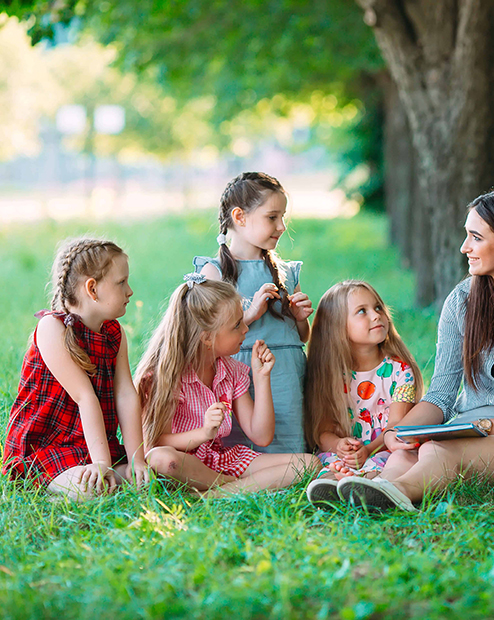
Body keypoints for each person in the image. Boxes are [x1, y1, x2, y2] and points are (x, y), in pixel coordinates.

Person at [331, 189, 494, 511]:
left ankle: (398, 492)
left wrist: (485, 427)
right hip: (464, 428)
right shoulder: (461, 300)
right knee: (409, 449)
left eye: (475, 238)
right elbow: (441, 395)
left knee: (438, 451)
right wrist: (402, 430)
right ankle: (375, 489)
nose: (465, 248)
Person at [136, 275, 319, 494]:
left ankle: (215, 494)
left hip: (222, 460)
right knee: (161, 460)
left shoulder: (230, 371)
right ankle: (231, 486)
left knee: (309, 464)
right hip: (183, 462)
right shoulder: (165, 376)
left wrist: (261, 378)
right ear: (207, 338)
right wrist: (204, 432)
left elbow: (261, 435)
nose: (245, 330)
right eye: (236, 325)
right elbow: (156, 442)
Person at [3, 238, 150, 499]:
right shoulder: (52, 328)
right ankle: (53, 486)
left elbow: (126, 394)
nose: (130, 291)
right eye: (121, 282)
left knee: (148, 474)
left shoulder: (114, 333)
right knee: (95, 488)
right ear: (92, 289)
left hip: (91, 442)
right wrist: (103, 466)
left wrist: (137, 459)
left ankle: (99, 474)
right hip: (49, 445)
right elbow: (85, 397)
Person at [194, 171, 313, 453]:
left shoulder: (285, 272)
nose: (282, 226)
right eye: (272, 217)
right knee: (242, 441)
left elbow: (302, 336)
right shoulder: (215, 271)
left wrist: (300, 318)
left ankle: (286, 469)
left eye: (283, 217)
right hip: (238, 369)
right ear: (240, 217)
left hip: (285, 369)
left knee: (289, 443)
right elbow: (207, 334)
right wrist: (250, 314)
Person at [303, 281, 423, 505]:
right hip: (350, 453)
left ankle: (367, 486)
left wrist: (368, 450)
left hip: (383, 447)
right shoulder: (331, 376)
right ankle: (334, 483)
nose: (376, 315)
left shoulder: (400, 371)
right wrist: (339, 445)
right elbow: (323, 431)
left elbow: (395, 428)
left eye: (378, 308)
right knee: (330, 461)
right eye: (362, 311)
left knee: (396, 459)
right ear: (337, 328)